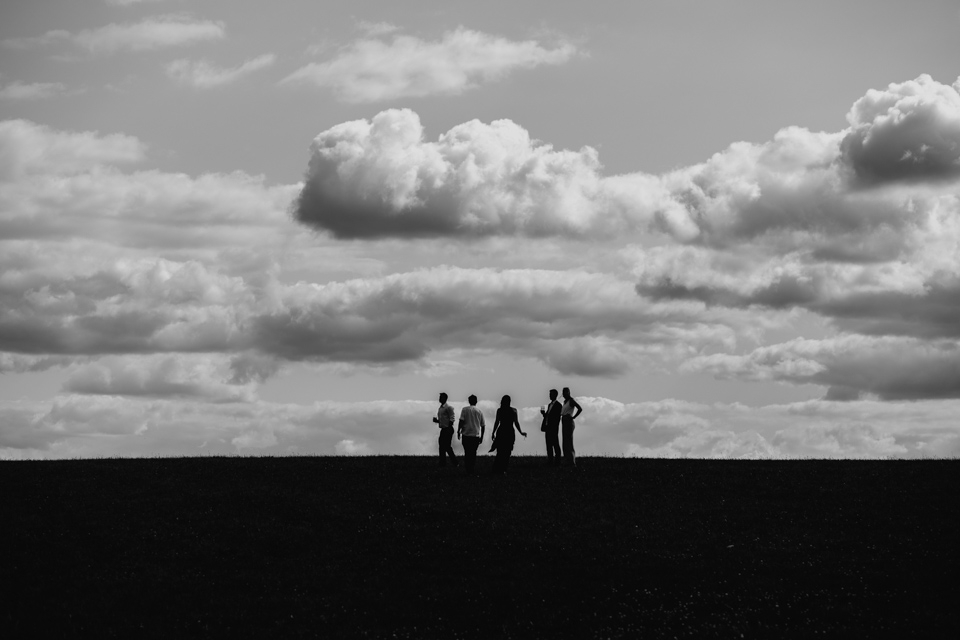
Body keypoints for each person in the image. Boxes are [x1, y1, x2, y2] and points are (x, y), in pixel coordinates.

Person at [490, 395, 526, 474]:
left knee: (500, 451)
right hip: (509, 431)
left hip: (501, 431)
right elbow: (516, 422)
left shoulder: (499, 410)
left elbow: (497, 422)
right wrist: (521, 432)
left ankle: (496, 469)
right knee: (507, 451)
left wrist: (493, 432)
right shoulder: (514, 411)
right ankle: (503, 469)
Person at [457, 395, 485, 474]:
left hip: (466, 435)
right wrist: (482, 437)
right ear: (476, 401)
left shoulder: (465, 410)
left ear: (469, 401)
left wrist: (458, 431)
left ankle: (468, 469)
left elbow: (461, 421)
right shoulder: (479, 411)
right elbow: (483, 425)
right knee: (473, 453)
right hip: (475, 435)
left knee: (467, 452)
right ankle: (471, 469)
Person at [433, 392, 458, 467]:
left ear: (445, 398)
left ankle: (455, 463)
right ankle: (443, 463)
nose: (439, 399)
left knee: (446, 446)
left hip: (447, 429)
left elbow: (452, 418)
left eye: (441, 397)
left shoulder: (448, 408)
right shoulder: (440, 408)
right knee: (442, 446)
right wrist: (437, 421)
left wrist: (448, 428)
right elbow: (443, 420)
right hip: (444, 429)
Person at [560, 387, 583, 467]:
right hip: (564, 420)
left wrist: (574, 417)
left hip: (568, 421)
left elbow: (580, 409)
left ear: (569, 392)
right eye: (563, 392)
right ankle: (567, 460)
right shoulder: (565, 402)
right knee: (565, 442)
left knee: (569, 441)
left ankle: (572, 462)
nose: (564, 394)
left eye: (566, 392)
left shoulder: (571, 400)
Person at [540, 389, 562, 465]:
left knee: (555, 445)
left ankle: (557, 461)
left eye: (551, 394)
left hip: (553, 428)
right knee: (549, 445)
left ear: (555, 395)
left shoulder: (558, 405)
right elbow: (548, 416)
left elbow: (556, 418)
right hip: (548, 428)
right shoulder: (549, 405)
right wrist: (544, 414)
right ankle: (550, 461)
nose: (549, 395)